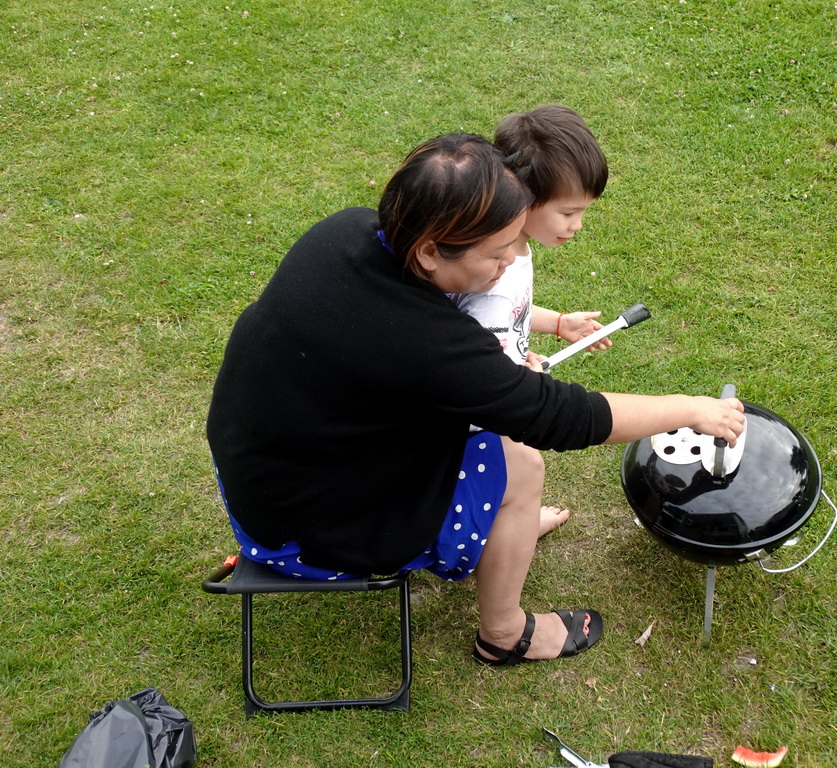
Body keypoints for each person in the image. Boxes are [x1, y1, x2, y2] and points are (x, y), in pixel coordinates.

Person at [206, 133, 744, 666]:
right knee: (519, 463)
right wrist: (690, 409)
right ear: (430, 251)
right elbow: (565, 417)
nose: (511, 262)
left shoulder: (347, 232)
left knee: (496, 443)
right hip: (301, 530)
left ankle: (503, 534)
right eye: (497, 251)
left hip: (258, 472)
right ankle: (504, 634)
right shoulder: (428, 345)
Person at [447, 105, 611, 536]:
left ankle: (513, 516)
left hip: (486, 394)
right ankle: (510, 523)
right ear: (526, 198)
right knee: (519, 470)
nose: (577, 225)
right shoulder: (492, 280)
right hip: (474, 417)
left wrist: (558, 323)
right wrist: (524, 378)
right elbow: (484, 367)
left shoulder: (509, 249)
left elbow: (512, 314)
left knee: (517, 472)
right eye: (569, 212)